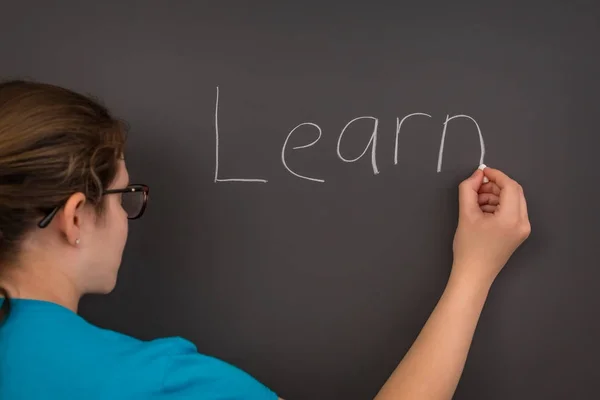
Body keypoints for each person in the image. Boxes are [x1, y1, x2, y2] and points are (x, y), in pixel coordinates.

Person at [0, 80, 530, 400]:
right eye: (126, 194)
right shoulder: (153, 382)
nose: (127, 214)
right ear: (74, 216)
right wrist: (475, 270)